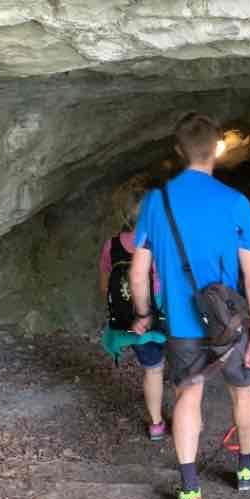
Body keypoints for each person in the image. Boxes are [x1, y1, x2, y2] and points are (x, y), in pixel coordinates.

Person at [129, 112, 250, 499]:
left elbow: (139, 272)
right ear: (218, 148)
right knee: (242, 391)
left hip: (182, 324)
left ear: (178, 151)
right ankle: (246, 469)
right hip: (229, 323)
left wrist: (144, 313)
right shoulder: (235, 202)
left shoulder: (157, 203)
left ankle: (189, 490)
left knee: (187, 395)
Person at [98, 185, 167, 441]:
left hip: (131, 317)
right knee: (183, 367)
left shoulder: (112, 245)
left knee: (153, 369)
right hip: (162, 312)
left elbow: (105, 286)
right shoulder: (161, 241)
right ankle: (187, 417)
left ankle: (157, 423)